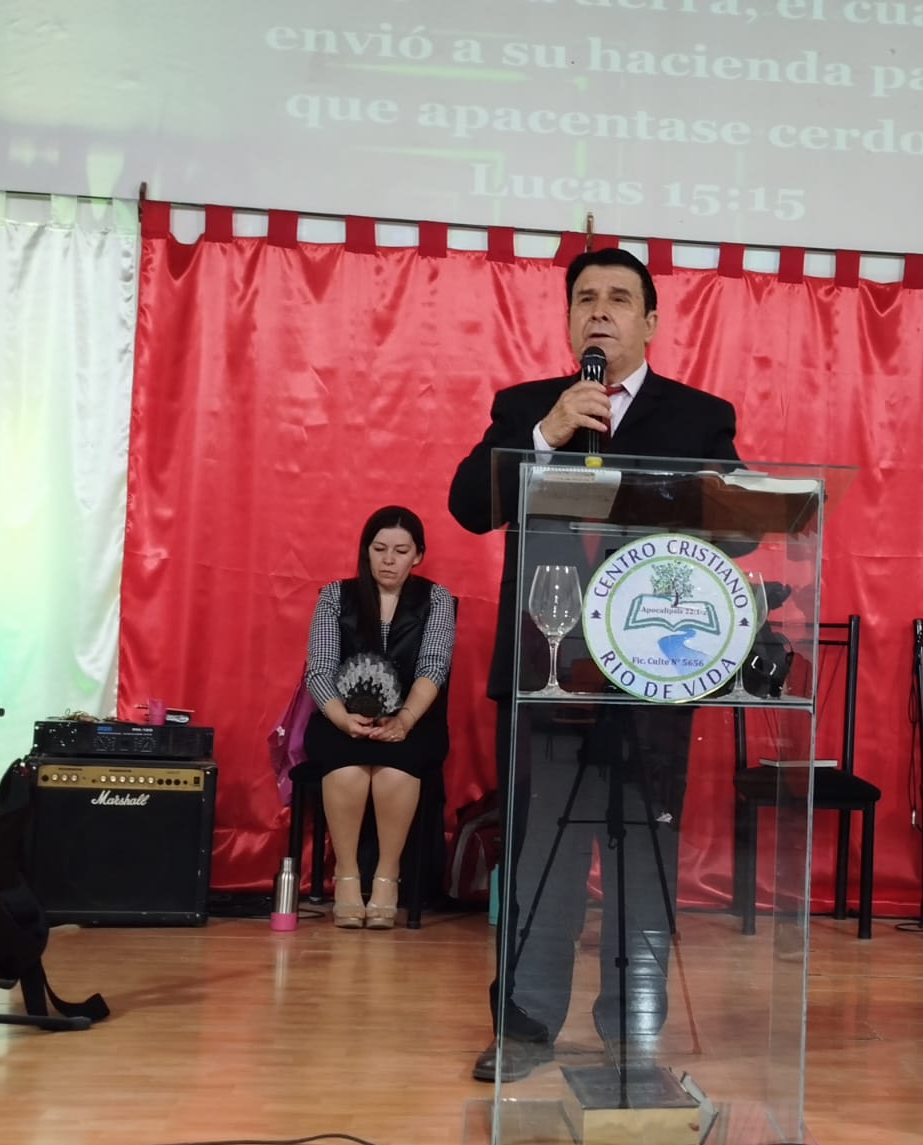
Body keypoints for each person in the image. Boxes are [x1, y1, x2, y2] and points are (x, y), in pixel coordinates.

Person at [449, 247, 739, 1083]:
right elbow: (469, 506)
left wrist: (694, 498)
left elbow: (744, 525)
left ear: (651, 321)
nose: (600, 311)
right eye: (585, 299)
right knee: (541, 855)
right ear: (569, 319)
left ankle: (631, 1032)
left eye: (618, 298)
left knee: (644, 860)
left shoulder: (698, 417)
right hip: (546, 675)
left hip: (653, 673)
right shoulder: (527, 409)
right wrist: (546, 436)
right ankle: (526, 1025)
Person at [302, 505, 455, 930]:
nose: (389, 560)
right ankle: (347, 876)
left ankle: (388, 876)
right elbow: (319, 669)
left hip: (412, 719)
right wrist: (342, 718)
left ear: (418, 555)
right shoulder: (336, 596)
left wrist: (405, 719)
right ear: (366, 551)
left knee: (395, 771)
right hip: (340, 716)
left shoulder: (436, 600)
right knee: (347, 769)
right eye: (379, 549)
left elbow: (433, 667)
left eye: (401, 551)